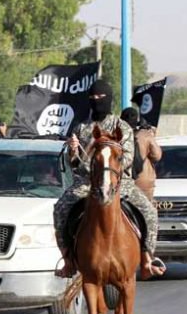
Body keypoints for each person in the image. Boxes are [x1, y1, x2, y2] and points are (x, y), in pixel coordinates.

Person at [53, 79, 165, 280]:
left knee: (149, 211)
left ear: (109, 99)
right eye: (92, 97)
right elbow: (74, 164)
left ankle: (147, 258)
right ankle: (68, 259)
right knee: (60, 208)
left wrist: (108, 168)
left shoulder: (121, 127)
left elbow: (128, 158)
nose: (96, 101)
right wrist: (72, 151)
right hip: (86, 184)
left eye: (100, 97)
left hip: (119, 183)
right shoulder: (81, 128)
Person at [120, 107, 162, 200]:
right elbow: (157, 156)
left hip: (121, 182)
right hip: (143, 182)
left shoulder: (115, 135)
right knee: (146, 208)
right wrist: (151, 135)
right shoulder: (145, 135)